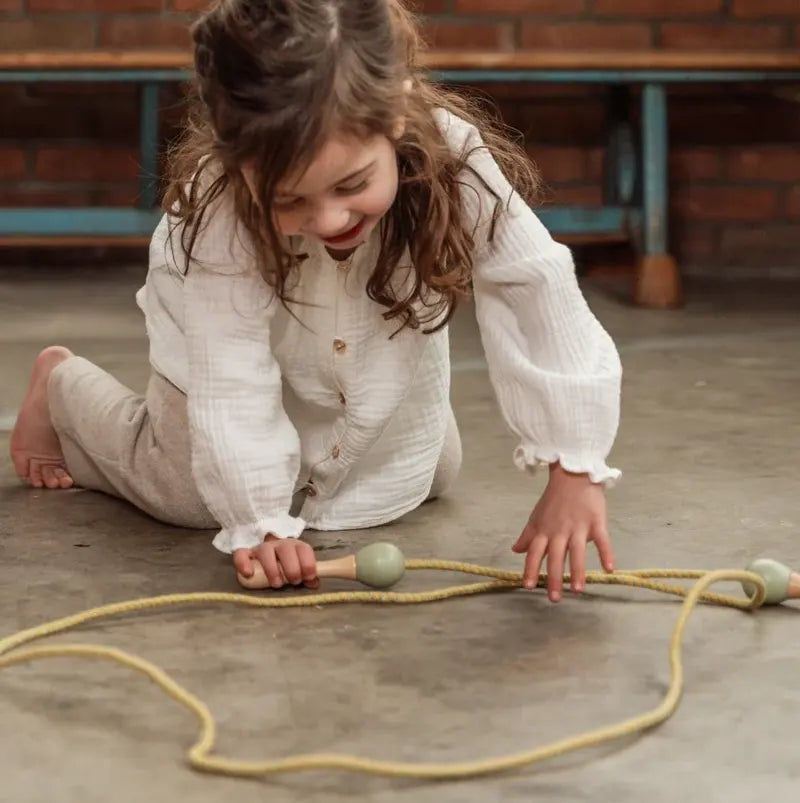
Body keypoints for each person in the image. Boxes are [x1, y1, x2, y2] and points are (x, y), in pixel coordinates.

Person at [10, 0, 622, 602]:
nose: (328, 218)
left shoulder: (455, 159)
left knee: (430, 475)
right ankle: (63, 386)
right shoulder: (221, 210)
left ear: (397, 116)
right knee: (192, 498)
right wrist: (260, 519)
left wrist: (574, 463)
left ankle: (341, 431)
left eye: (352, 184)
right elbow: (231, 374)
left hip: (368, 337)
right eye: (287, 200)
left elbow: (535, 289)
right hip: (227, 347)